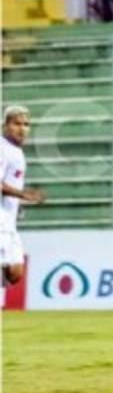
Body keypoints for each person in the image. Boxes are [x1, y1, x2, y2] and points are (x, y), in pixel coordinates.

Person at [2, 106, 47, 287]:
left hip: (8, 221)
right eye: (17, 123)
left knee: (15, 273)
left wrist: (17, 202)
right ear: (5, 125)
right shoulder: (3, 149)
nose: (22, 129)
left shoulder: (16, 151)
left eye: (26, 124)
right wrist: (24, 194)